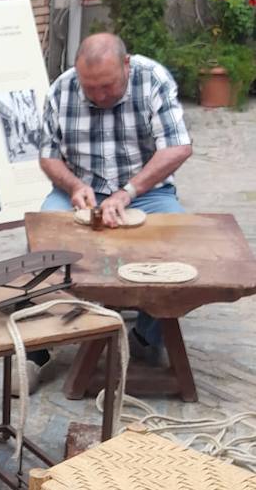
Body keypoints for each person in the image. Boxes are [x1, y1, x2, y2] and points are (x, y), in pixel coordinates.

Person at [35, 31, 192, 373]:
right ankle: (41, 344)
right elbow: (48, 157)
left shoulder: (153, 79)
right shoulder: (62, 88)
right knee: (43, 241)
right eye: (89, 88)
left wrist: (129, 191)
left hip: (146, 192)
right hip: (80, 191)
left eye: (107, 85)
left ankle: (148, 337)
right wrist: (74, 186)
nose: (99, 95)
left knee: (179, 243)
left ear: (126, 64)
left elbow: (178, 147)